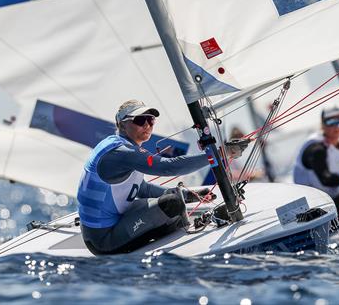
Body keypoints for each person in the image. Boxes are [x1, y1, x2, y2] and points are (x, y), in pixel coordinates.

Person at [77, 99, 243, 255]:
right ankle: (191, 231)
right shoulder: (120, 152)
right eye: (140, 120)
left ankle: (188, 219)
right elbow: (168, 167)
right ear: (122, 124)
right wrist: (221, 154)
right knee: (172, 204)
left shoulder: (123, 147)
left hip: (111, 222)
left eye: (151, 120)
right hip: (103, 240)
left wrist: (188, 195)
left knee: (175, 196)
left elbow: (142, 188)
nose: (147, 125)